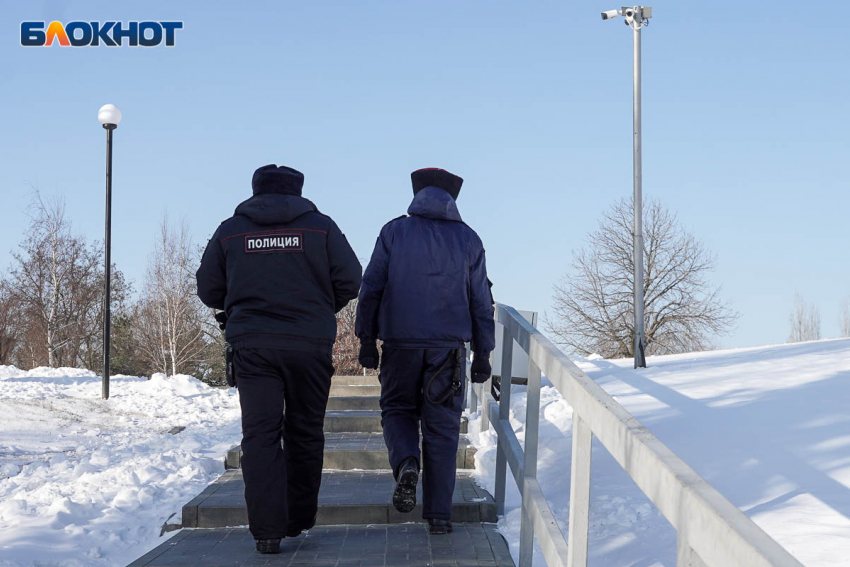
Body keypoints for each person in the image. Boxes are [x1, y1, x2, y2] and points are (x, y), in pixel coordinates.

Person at [196, 164, 361, 554]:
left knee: (260, 435)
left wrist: (241, 307)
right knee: (305, 431)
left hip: (253, 346)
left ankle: (266, 532)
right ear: (298, 191)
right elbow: (351, 279)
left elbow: (208, 287)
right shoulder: (321, 227)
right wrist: (321, 308)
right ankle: (298, 518)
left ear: (254, 190)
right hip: (309, 344)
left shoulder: (230, 230)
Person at [355, 168, 495, 535]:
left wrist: (367, 339)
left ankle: (405, 464)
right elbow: (481, 300)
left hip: (400, 345)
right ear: (453, 200)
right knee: (443, 428)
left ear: (416, 195)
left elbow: (371, 288)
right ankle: (439, 516)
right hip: (447, 352)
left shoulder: (393, 232)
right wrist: (483, 353)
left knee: (398, 411)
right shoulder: (468, 239)